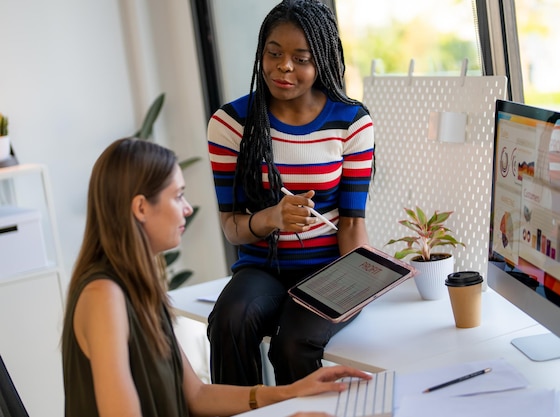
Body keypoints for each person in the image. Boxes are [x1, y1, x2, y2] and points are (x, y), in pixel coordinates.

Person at [61, 138, 370, 417]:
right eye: (178, 196)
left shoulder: (137, 289)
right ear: (141, 207)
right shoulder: (104, 296)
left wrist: (289, 394)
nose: (186, 209)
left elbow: (196, 396)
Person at [207, 0, 375, 386]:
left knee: (293, 344)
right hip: (263, 269)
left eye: (301, 58)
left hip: (330, 270)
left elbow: (351, 223)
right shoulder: (231, 124)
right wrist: (273, 218)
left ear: (323, 63)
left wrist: (363, 278)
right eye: (274, 53)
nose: (284, 66)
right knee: (229, 321)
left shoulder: (350, 122)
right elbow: (233, 228)